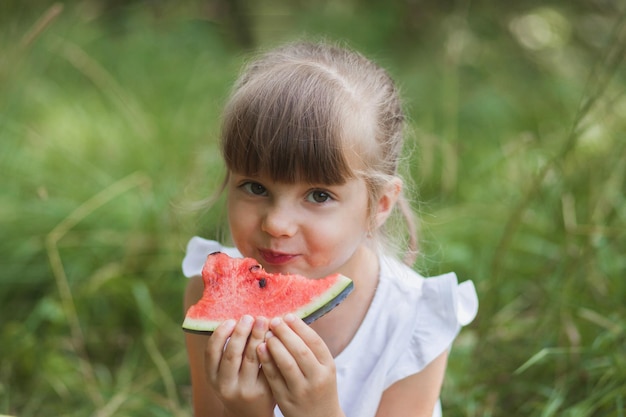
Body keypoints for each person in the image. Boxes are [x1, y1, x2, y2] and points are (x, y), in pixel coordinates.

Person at [182, 40, 478, 417]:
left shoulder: (413, 322)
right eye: (255, 187)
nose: (276, 223)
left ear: (379, 205)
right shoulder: (208, 293)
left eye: (319, 196)